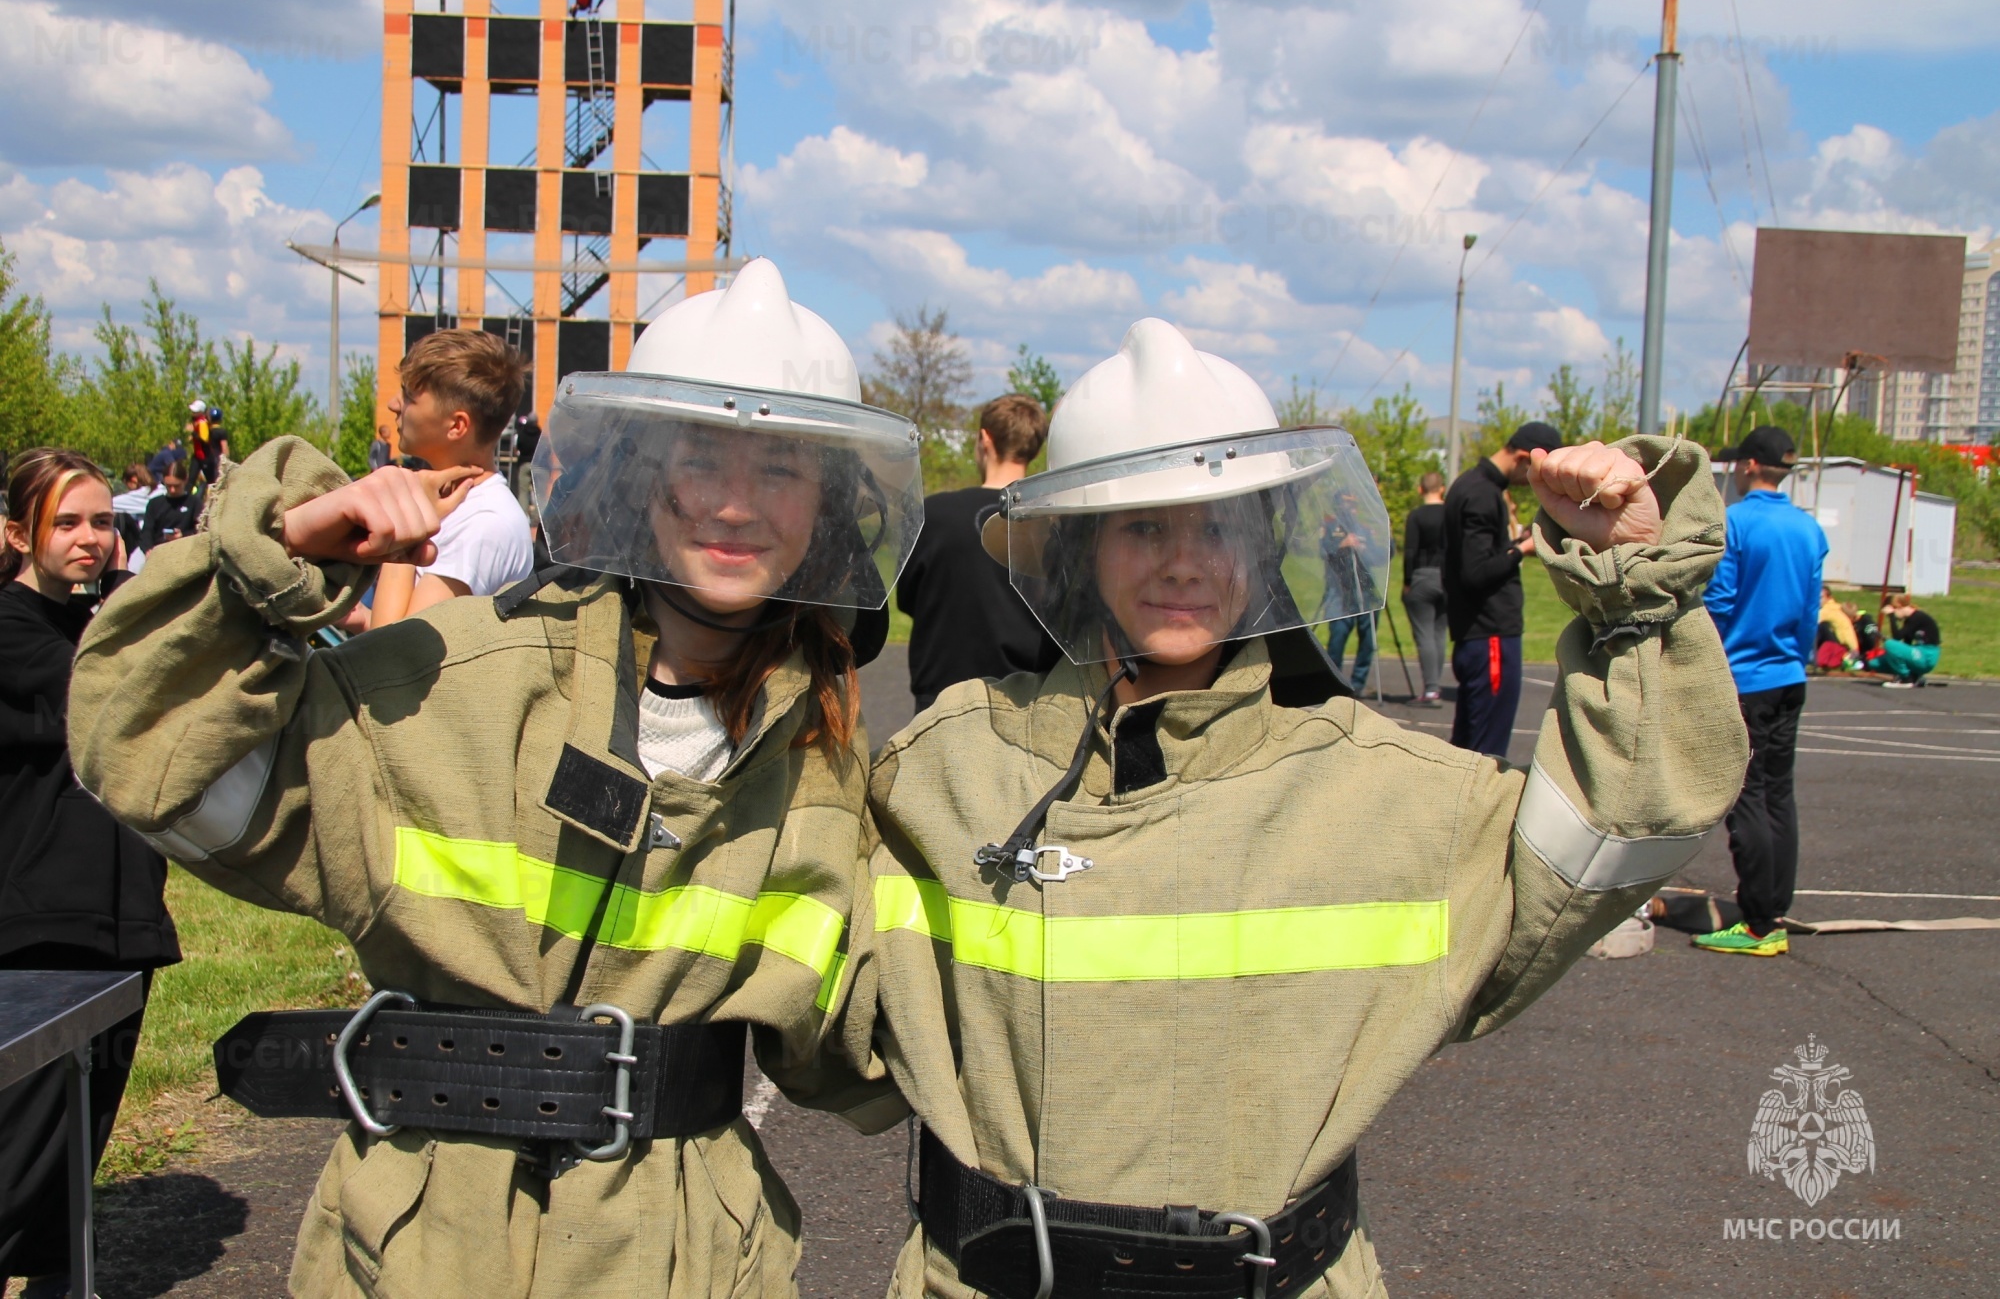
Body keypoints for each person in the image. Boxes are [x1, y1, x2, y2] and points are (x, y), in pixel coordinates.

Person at [838, 317, 1745, 1299]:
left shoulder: (1382, 791)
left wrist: (1636, 595)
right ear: (1076, 549)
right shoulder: (945, 769)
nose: (1182, 561)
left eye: (1217, 525)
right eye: (1143, 525)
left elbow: (1629, 821)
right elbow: (827, 1030)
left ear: (1266, 548)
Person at [68, 259, 920, 1297]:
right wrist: (275, 565)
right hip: (425, 1248)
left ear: (829, 503)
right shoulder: (457, 680)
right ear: (643, 473)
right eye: (702, 458)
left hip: (685, 1260)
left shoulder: (819, 759)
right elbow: (147, 759)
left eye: (781, 469)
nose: (736, 505)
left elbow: (865, 1042)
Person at [0, 451, 179, 1296]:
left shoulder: (106, 624)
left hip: (121, 920)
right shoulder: (12, 628)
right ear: (17, 531)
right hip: (38, 923)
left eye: (104, 522)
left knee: (77, 1150)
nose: (90, 538)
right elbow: (100, 691)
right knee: (20, 1154)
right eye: (67, 522)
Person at [1694, 425, 1826, 958]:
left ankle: (1756, 923)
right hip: (1789, 674)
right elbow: (1811, 608)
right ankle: (1773, 906)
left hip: (1745, 677)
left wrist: (1706, 657)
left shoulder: (1738, 522)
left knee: (1745, 794)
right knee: (1778, 791)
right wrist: (1799, 656)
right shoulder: (1809, 528)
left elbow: (1721, 602)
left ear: (1750, 466)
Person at [897, 392, 1061, 712]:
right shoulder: (1050, 522)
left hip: (942, 702)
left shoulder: (934, 514)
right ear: (1035, 447)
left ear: (984, 439)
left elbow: (907, 598)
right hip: (1027, 700)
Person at [368, 329, 536, 628]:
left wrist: (405, 530)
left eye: (408, 396)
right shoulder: (456, 503)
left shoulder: (485, 523)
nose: (394, 404)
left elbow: (391, 654)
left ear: (457, 426)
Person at [1443, 421, 1563, 755]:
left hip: (1479, 632)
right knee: (1487, 753)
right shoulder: (1481, 493)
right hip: (1490, 634)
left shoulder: (1471, 485)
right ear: (1525, 458)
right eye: (1536, 471)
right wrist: (1522, 549)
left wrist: (1511, 546)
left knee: (1469, 747)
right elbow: (1476, 572)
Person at [1319, 504, 1378, 694]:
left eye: (1354, 506)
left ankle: (1358, 684)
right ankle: (1333, 683)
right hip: (1339, 591)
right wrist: (1341, 545)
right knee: (1337, 637)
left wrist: (1370, 546)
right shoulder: (1330, 527)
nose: (1352, 510)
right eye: (1347, 505)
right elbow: (1323, 552)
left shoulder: (1365, 529)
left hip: (1364, 590)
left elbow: (1381, 556)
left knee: (1368, 640)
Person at [1401, 470, 1449, 704]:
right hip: (1448, 578)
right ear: (1442, 488)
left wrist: (1407, 581)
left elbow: (1410, 550)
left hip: (1423, 576)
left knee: (1424, 634)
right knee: (1440, 632)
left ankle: (1430, 689)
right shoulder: (1452, 514)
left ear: (1421, 490)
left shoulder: (1417, 516)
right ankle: (1435, 685)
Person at [1878, 590, 1941, 686]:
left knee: (1890, 644)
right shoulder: (1909, 620)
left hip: (1927, 655)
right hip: (1919, 652)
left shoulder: (1917, 617)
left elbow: (1897, 637)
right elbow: (1906, 643)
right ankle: (1913, 675)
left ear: (1898, 606)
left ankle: (1906, 679)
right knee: (1875, 662)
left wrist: (1891, 616)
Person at [140, 457, 201, 550]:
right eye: (168, 486)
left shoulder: (194, 503)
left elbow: (200, 529)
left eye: (176, 486)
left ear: (185, 480)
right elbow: (147, 531)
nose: (172, 490)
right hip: (158, 549)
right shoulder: (154, 503)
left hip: (185, 549)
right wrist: (148, 550)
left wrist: (183, 535)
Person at [111, 462, 160, 560]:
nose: (128, 489)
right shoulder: (162, 490)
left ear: (133, 480)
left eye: (127, 484)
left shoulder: (140, 496)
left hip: (145, 543)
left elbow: (110, 503)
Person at [185, 400, 229, 487]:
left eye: (195, 411)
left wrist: (193, 433)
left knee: (211, 481)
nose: (192, 413)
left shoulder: (203, 423)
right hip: (202, 456)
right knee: (194, 481)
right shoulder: (201, 424)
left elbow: (205, 440)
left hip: (206, 457)